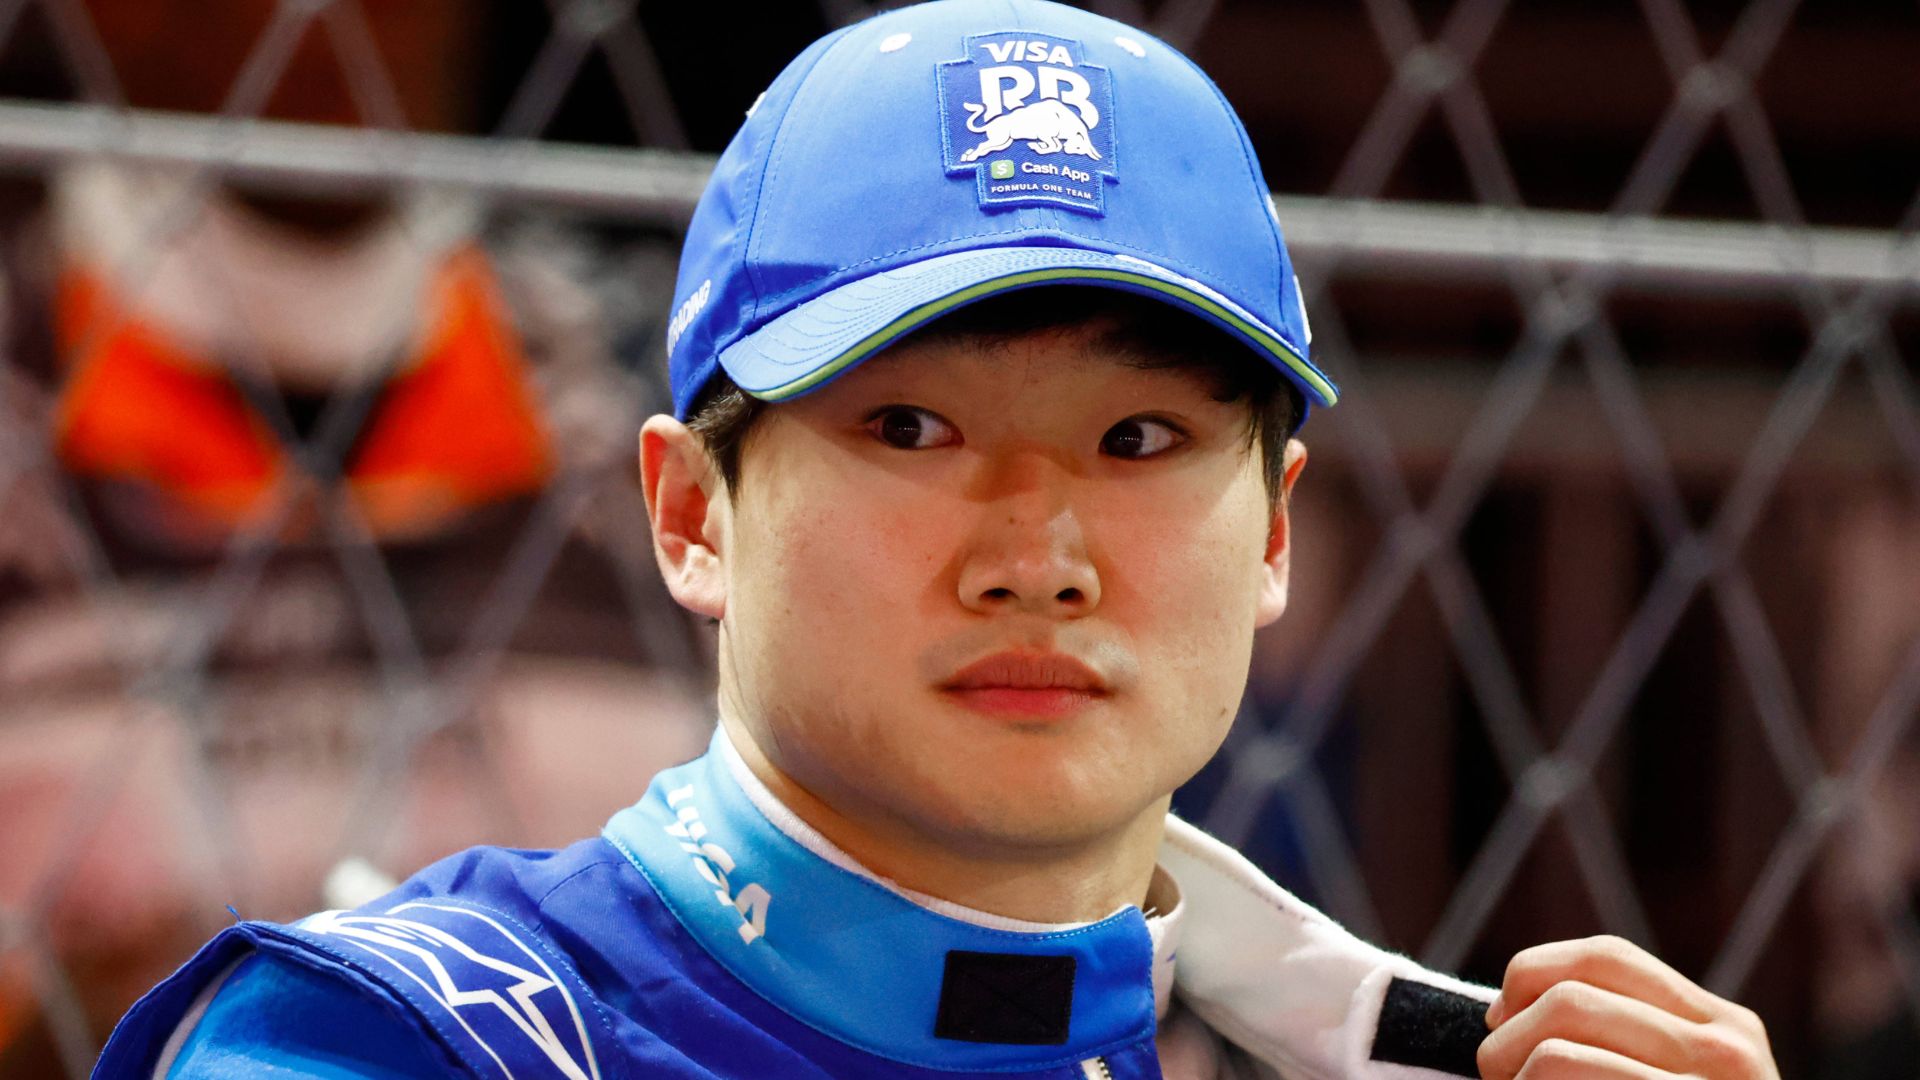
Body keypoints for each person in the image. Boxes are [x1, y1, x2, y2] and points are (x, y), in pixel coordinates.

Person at [96, 1, 1784, 1076]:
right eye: (909, 428)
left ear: (1271, 536)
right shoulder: (391, 1044)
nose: (1036, 551)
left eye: (1138, 440)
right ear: (694, 513)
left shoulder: (1444, 1060)